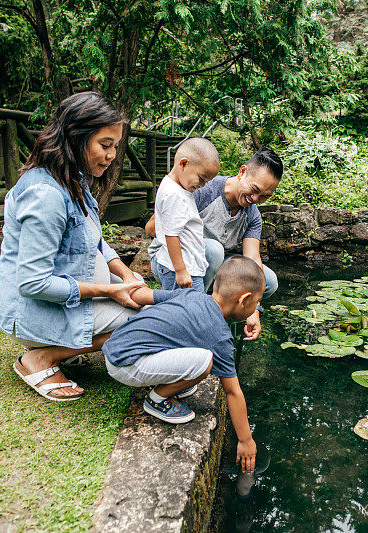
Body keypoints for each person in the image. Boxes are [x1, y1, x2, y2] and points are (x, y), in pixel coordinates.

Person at [0, 92, 145, 402]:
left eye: (115, 146)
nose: (113, 154)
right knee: (144, 318)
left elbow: (95, 240)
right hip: (30, 311)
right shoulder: (46, 195)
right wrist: (110, 291)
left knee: (144, 300)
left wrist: (124, 274)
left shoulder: (73, 180)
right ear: (76, 138)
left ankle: (62, 346)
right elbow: (33, 282)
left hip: (66, 302)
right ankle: (41, 358)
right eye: (105, 145)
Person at [102, 256, 264, 473]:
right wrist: (245, 441)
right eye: (255, 304)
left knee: (188, 347)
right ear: (243, 300)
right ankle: (157, 400)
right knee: (204, 362)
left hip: (117, 345)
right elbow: (232, 391)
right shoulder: (219, 335)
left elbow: (146, 295)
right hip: (126, 364)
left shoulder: (190, 295)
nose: (255, 309)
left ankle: (173, 383)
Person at [146, 148, 283, 341]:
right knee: (213, 250)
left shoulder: (252, 215)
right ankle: (198, 316)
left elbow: (252, 259)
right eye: (254, 190)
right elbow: (152, 228)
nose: (255, 200)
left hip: (208, 268)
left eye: (264, 197)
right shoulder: (203, 189)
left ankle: (216, 314)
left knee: (267, 280)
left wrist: (254, 309)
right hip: (172, 263)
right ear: (242, 172)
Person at [151, 137, 220, 292]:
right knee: (188, 311)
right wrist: (181, 271)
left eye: (206, 182)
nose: (202, 185)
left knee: (189, 309)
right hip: (182, 270)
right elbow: (171, 235)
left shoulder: (177, 187)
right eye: (201, 178)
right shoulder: (174, 195)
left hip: (188, 266)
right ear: (183, 164)